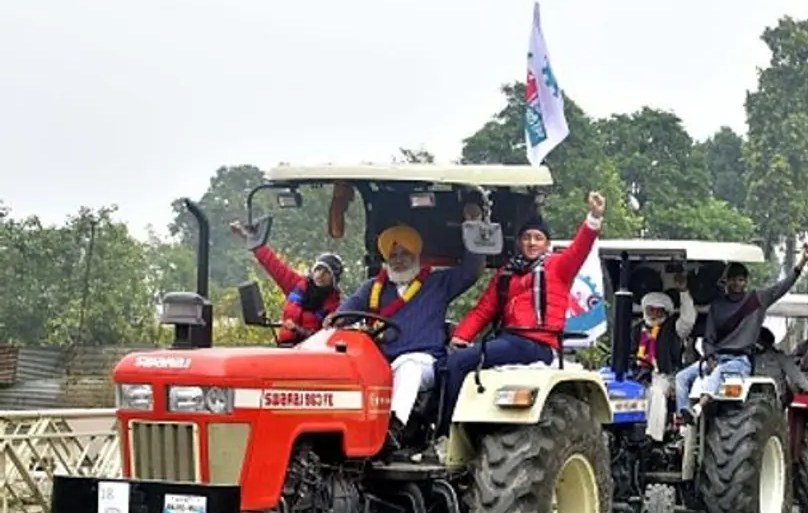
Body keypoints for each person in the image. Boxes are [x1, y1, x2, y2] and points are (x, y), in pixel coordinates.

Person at [443, 192, 607, 430]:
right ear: (520, 242)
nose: (532, 242)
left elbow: (580, 248)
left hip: (537, 344)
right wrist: (461, 337)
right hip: (510, 342)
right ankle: (421, 430)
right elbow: (483, 310)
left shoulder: (558, 266)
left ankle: (447, 432)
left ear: (547, 244)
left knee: (460, 363)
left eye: (538, 238)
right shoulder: (507, 273)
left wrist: (593, 218)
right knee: (445, 364)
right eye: (527, 237)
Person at [330, 207, 484, 459]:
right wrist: (335, 320)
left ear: (416, 255)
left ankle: (393, 430)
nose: (398, 259)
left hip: (424, 362)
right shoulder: (374, 287)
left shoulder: (437, 283)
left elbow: (472, 271)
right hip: (380, 361)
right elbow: (345, 310)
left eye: (404, 253)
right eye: (393, 254)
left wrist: (475, 226)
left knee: (408, 366)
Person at [674, 246, 808, 419]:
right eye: (733, 280)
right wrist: (709, 357)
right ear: (726, 282)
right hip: (716, 358)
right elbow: (708, 338)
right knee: (681, 377)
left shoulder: (757, 299)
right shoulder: (718, 305)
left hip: (739, 361)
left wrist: (802, 262)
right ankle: (682, 416)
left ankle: (698, 409)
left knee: (717, 374)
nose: (737, 284)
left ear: (746, 282)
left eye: (740, 280)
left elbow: (782, 286)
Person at [230, 220, 344, 346]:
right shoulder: (298, 285)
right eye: (318, 269)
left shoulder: (335, 306)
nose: (320, 275)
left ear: (334, 279)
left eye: (327, 272)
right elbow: (273, 263)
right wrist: (249, 238)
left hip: (313, 355)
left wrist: (298, 330)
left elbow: (328, 339)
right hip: (286, 349)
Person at [632, 276, 696, 439]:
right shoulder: (636, 330)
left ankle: (653, 437)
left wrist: (683, 292)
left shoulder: (673, 328)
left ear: (665, 312)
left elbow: (688, 320)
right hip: (637, 376)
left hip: (665, 376)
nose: (653, 314)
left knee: (657, 392)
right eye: (650, 309)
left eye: (658, 310)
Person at [754, 326, 808, 402]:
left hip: (771, 396)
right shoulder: (749, 357)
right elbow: (796, 375)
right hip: (769, 396)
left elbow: (796, 375)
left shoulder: (778, 357)